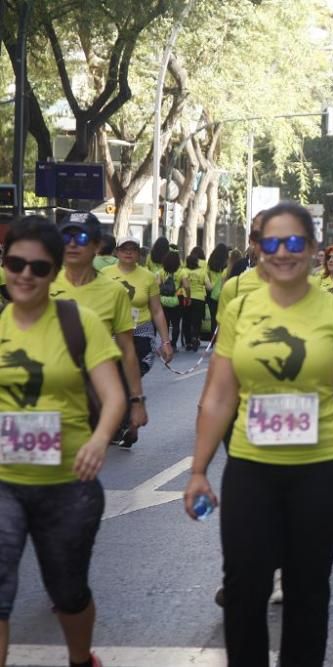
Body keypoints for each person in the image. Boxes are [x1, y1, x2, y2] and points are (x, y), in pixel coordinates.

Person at [183, 202, 333, 667]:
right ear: (258, 249)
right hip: (251, 468)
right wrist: (199, 470)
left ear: (311, 250)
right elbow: (219, 397)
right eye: (272, 243)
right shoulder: (241, 307)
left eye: (293, 243)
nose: (282, 253)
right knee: (245, 587)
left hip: (321, 472)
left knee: (308, 590)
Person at [0, 216, 126, 667]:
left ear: (53, 272)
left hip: (69, 482)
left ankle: (79, 659)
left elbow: (113, 395)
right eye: (15, 263)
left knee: (68, 592)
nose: (25, 275)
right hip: (3, 482)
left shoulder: (79, 321)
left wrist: (100, 439)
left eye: (38, 267)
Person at [51, 212, 148, 446]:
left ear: (96, 245)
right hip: (45, 392)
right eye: (66, 237)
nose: (72, 244)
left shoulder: (114, 292)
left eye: (81, 238)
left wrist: (136, 401)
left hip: (90, 397)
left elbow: (126, 351)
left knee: (79, 468)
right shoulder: (43, 283)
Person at [101, 236, 173, 375]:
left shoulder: (148, 277)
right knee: (115, 375)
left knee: (135, 372)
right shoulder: (105, 273)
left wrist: (166, 342)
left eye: (133, 249)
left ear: (139, 254)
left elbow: (157, 311)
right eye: (124, 249)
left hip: (141, 332)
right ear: (117, 252)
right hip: (113, 331)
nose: (128, 253)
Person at [181, 253, 209, 352]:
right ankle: (195, 337)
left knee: (186, 321)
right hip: (199, 299)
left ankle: (188, 341)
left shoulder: (183, 271)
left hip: (186, 298)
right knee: (197, 321)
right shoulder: (202, 271)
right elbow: (209, 286)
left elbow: (184, 285)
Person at [157, 251, 184, 350]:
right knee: (176, 323)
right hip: (177, 299)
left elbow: (158, 284)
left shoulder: (161, 272)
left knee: (166, 322)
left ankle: (166, 342)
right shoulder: (181, 272)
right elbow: (186, 286)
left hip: (163, 300)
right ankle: (173, 344)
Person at [205, 244, 229, 334]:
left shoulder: (210, 263)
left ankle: (213, 338)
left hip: (212, 295)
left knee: (214, 319)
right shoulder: (227, 265)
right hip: (224, 293)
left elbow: (206, 275)